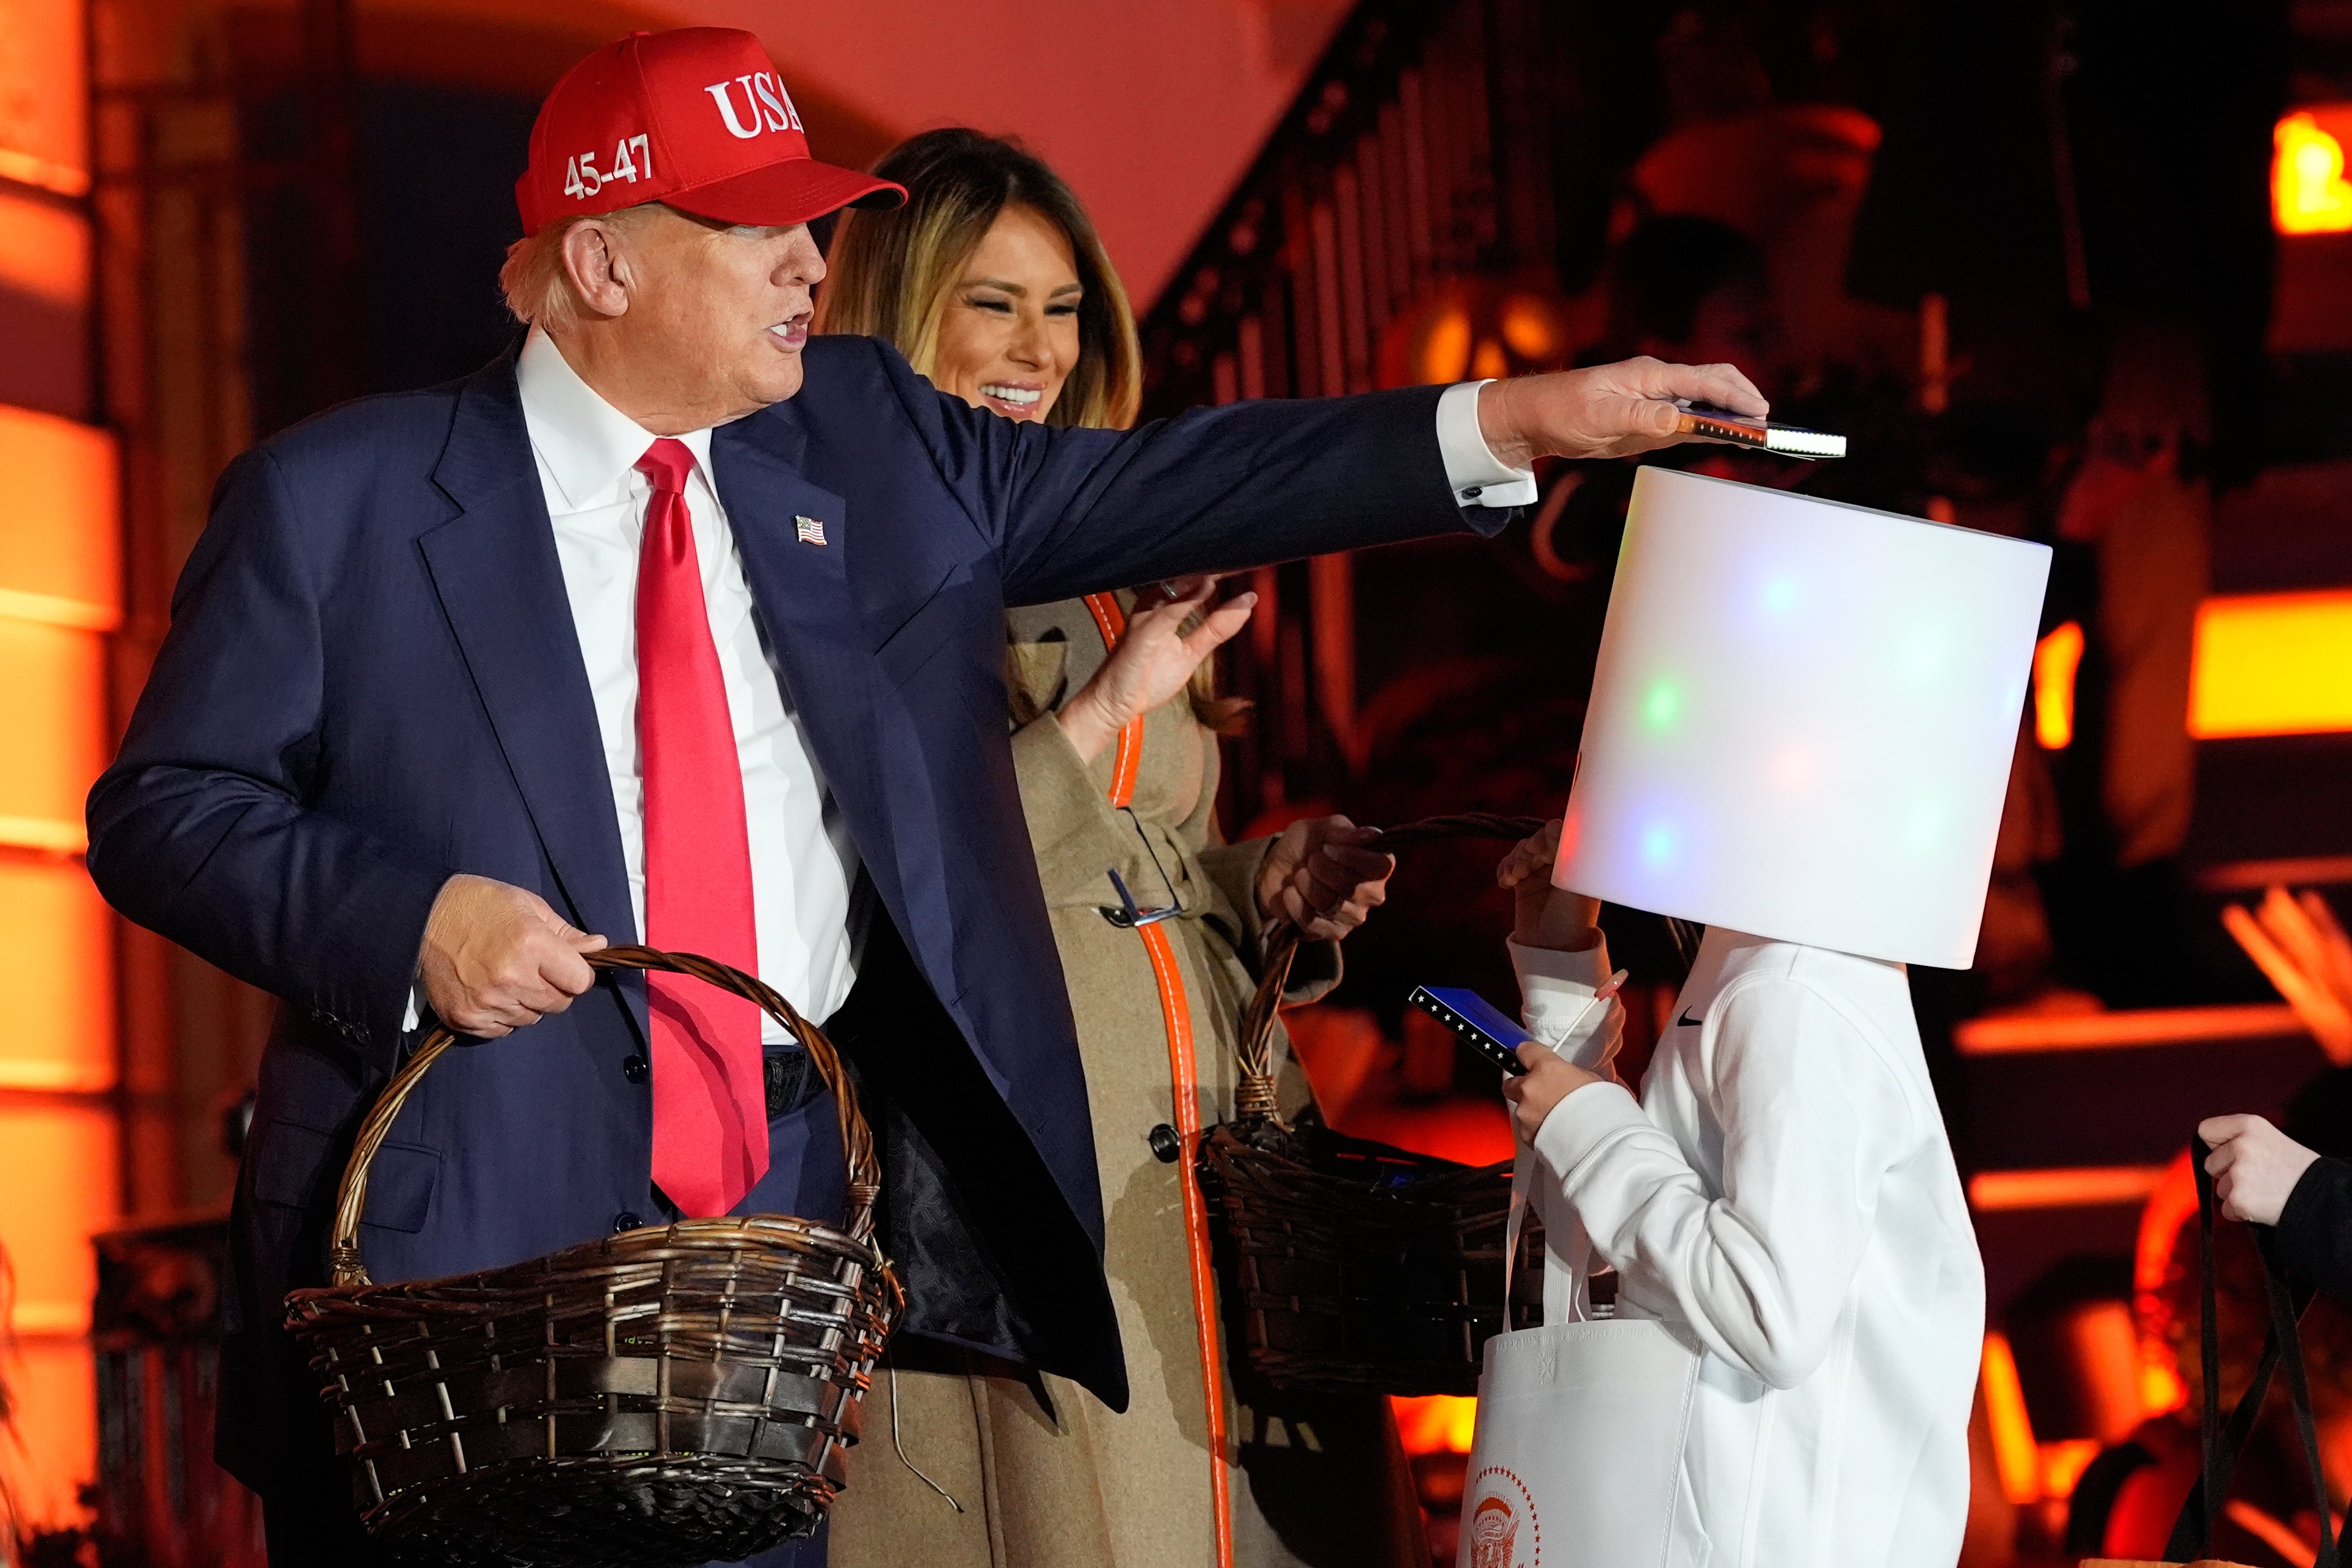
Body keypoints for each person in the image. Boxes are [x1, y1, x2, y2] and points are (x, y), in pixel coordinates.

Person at [81, 25, 1767, 1566]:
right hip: (468, 1234)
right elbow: (164, 809)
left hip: (776, 1223)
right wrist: (410, 920)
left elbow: (1177, 476)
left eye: (812, 222)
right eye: (755, 230)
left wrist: (1504, 423)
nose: (812, 266)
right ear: (597, 263)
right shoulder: (340, 499)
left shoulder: (869, 440)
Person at [813, 128, 1418, 1568]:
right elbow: (880, 885)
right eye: (992, 302)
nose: (1039, 348)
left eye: (1065, 307)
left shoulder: (1104, 552)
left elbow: (1149, 853)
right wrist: (1104, 707)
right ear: (897, 315)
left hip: (1211, 1166)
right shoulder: (838, 555)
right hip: (1020, 1176)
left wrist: (1259, 881)